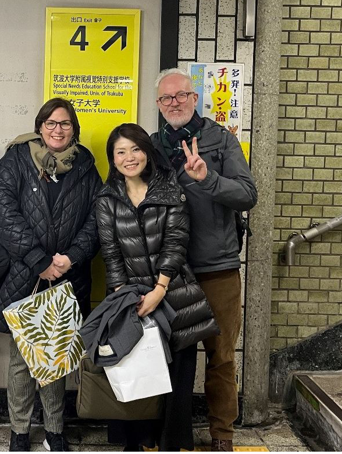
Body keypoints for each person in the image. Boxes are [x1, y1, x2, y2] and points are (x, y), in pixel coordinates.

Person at [94, 123, 219, 451]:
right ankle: (136, 441)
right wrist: (124, 298)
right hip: (131, 297)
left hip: (174, 292)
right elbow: (111, 253)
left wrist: (160, 288)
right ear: (113, 159)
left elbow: (177, 241)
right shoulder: (107, 198)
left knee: (176, 375)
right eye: (120, 152)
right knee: (135, 368)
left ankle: (171, 443)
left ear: (148, 154)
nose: (129, 157)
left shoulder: (169, 188)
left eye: (135, 149)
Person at [151, 68, 258, 452]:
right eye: (166, 98)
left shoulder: (220, 140)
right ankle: (169, 434)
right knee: (170, 357)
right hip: (169, 271)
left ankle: (221, 435)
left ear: (194, 99)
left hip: (218, 268)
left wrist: (207, 178)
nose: (174, 103)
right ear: (158, 105)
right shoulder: (151, 146)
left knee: (222, 356)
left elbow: (247, 195)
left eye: (181, 96)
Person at [0, 98, 102, 452]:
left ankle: (55, 429)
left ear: (74, 129)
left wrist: (70, 258)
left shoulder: (85, 166)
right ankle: (19, 431)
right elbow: (2, 212)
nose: (58, 129)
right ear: (40, 126)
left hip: (68, 276)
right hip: (26, 273)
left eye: (65, 124)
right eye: (51, 123)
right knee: (22, 359)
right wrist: (40, 260)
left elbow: (96, 220)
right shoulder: (17, 160)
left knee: (55, 357)